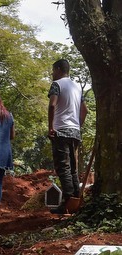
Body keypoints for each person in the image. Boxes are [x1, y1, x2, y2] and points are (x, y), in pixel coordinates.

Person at [48, 58, 87, 214]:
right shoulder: (77, 87)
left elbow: (52, 105)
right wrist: (77, 125)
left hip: (61, 131)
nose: (52, 73)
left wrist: (50, 126)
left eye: (53, 70)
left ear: (58, 69)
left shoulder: (57, 84)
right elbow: (84, 110)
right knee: (72, 168)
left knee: (63, 168)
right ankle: (76, 199)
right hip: (74, 131)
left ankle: (69, 203)